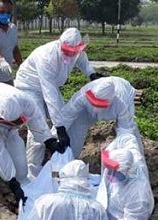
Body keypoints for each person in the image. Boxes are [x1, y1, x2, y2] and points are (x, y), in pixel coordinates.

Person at [15, 28, 106, 177]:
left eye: (73, 52)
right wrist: (60, 128)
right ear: (60, 44)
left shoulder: (76, 52)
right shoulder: (47, 57)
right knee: (38, 125)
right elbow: (49, 95)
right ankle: (33, 171)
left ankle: (58, 162)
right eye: (66, 51)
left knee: (63, 116)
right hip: (29, 86)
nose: (69, 55)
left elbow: (82, 60)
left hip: (50, 85)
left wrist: (91, 73)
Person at [0, 81, 61, 204]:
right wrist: (11, 180)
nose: (17, 124)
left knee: (18, 154)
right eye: (12, 123)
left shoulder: (25, 101)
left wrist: (48, 140)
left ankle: (23, 180)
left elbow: (37, 119)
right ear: (1, 119)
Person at [96, 134, 154, 220]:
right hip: (107, 216)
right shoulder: (133, 156)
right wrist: (110, 149)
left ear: (125, 171)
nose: (108, 174)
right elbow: (127, 137)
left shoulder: (138, 195)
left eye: (112, 172)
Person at [60, 76, 144, 158]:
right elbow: (67, 114)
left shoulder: (123, 104)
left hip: (123, 102)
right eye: (95, 104)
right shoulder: (84, 94)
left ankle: (136, 160)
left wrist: (118, 153)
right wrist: (56, 135)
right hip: (87, 110)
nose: (97, 109)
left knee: (130, 138)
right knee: (77, 127)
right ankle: (69, 159)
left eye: (101, 106)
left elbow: (126, 131)